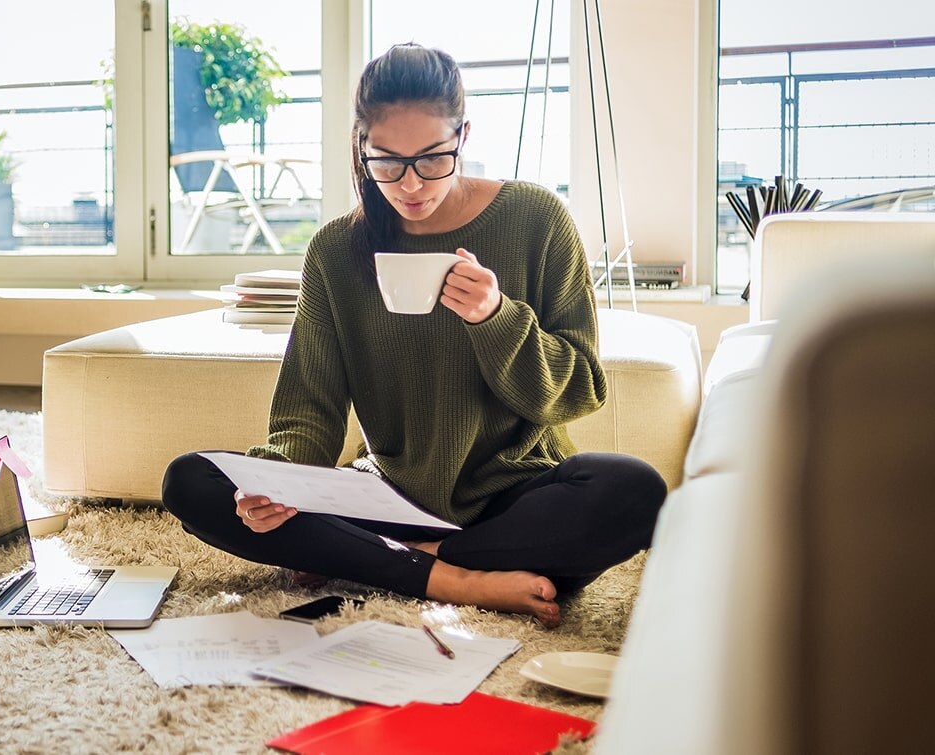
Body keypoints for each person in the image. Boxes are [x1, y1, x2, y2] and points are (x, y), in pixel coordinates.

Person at [160, 44, 667, 629]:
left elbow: (580, 389)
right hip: (389, 501)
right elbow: (309, 408)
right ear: (361, 148)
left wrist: (496, 317)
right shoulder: (335, 251)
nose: (410, 183)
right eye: (387, 162)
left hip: (514, 494)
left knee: (632, 490)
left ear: (463, 136)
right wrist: (281, 485)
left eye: (432, 158)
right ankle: (458, 577)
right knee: (192, 480)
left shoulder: (536, 219)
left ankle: (380, 563)